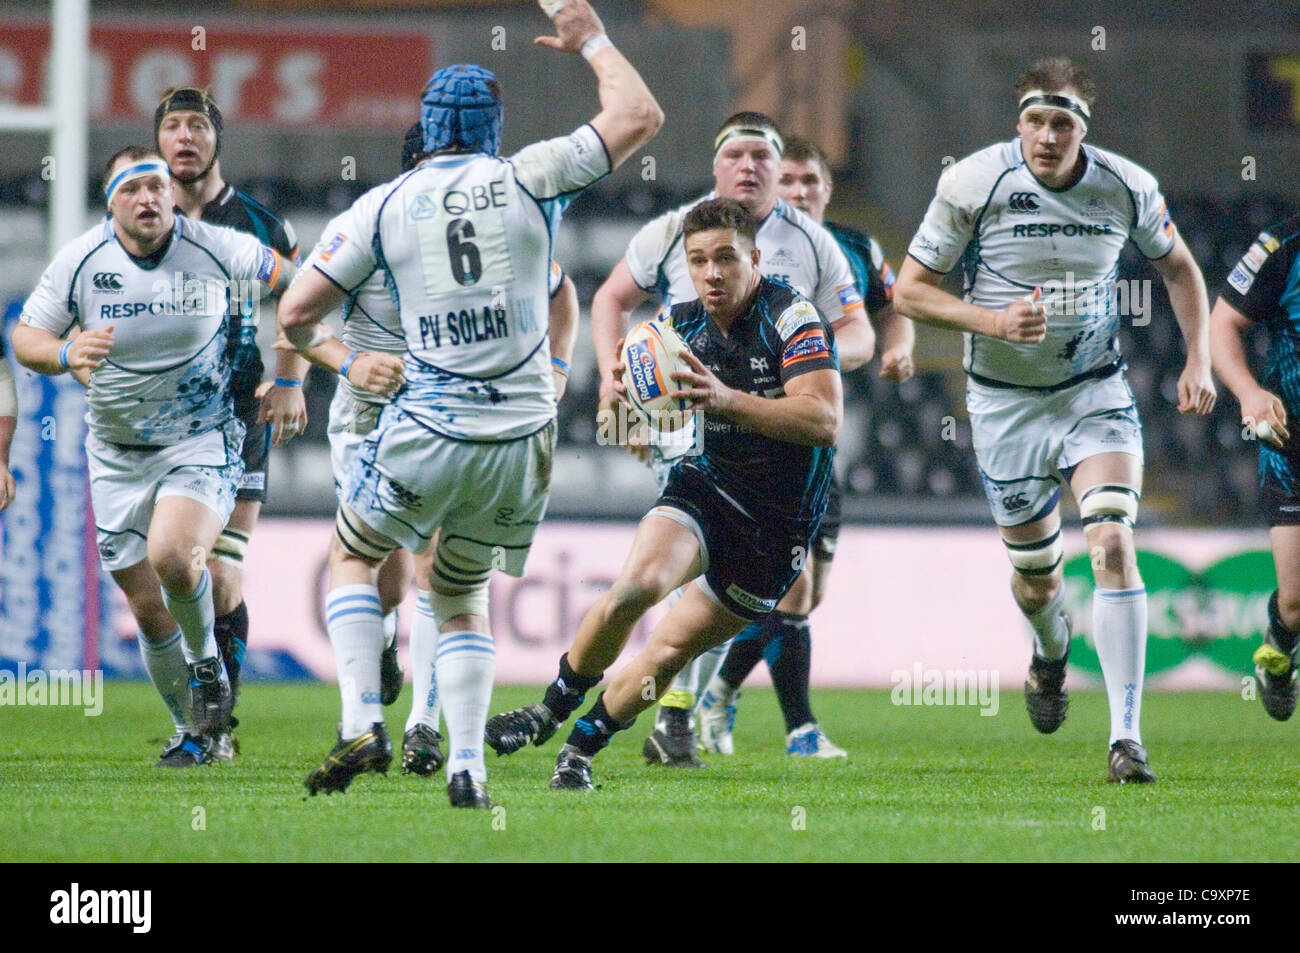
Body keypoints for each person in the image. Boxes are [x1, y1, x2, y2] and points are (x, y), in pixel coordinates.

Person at [277, 0, 663, 808]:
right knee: (459, 592)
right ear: (494, 129)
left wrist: (352, 361)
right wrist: (589, 38)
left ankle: (359, 720)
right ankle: (467, 768)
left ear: (424, 127)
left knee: (355, 555)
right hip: (524, 438)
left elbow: (294, 314)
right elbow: (640, 114)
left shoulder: (380, 206)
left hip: (430, 422)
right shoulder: (531, 174)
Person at [893, 57, 1216, 783]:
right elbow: (909, 290)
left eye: (1062, 121)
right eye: (1036, 120)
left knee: (1110, 543)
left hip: (1092, 391)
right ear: (1019, 123)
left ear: (1083, 128)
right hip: (1002, 403)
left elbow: (1181, 269)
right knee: (1037, 582)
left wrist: (1199, 360)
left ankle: (1126, 738)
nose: (1047, 135)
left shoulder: (1126, 186)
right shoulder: (974, 182)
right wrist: (991, 321)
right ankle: (1049, 653)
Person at [485, 198, 843, 791]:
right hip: (707, 484)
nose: (712, 274)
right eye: (698, 261)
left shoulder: (793, 317)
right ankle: (550, 708)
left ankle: (580, 749)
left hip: (778, 527)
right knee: (637, 587)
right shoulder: (677, 325)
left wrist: (724, 398)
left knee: (670, 650)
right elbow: (633, 394)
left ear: (753, 259)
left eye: (725, 259)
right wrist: (621, 402)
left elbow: (823, 419)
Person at [589, 111, 876, 765]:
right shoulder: (675, 228)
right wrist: (615, 380)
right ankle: (677, 710)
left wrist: (807, 356)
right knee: (697, 562)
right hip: (692, 417)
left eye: (763, 157)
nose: (749, 166)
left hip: (786, 434)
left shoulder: (813, 243)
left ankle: (691, 701)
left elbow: (860, 332)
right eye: (736, 155)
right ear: (717, 167)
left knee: (774, 588)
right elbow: (611, 299)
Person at [302, 123, 583, 778]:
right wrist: (335, 366)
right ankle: (383, 656)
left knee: (435, 565)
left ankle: (420, 726)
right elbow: (300, 313)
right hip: (368, 416)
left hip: (447, 417)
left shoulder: (493, 233)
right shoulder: (372, 225)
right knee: (387, 577)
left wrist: (559, 368)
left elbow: (560, 290)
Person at [11, 146, 304, 766]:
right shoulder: (83, 260)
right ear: (111, 202)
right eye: (130, 189)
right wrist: (66, 353)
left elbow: (302, 284)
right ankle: (199, 733)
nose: (146, 198)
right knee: (147, 608)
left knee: (174, 555)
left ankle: (208, 675)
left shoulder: (216, 246)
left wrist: (290, 375)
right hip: (117, 451)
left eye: (156, 186)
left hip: (201, 439)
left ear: (173, 194)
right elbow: (25, 337)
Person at [697, 134, 915, 757]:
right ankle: (800, 730)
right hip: (749, 436)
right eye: (786, 181)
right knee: (787, 591)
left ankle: (717, 694)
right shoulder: (742, 247)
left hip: (817, 436)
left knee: (806, 592)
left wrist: (893, 346)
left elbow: (890, 310)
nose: (797, 191)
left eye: (808, 182)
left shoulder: (849, 247)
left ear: (826, 189)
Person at [154, 87, 309, 739]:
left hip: (239, 419)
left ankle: (213, 722)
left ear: (217, 139)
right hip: (160, 422)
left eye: (197, 125)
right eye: (172, 126)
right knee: (169, 572)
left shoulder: (259, 224)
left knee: (220, 571)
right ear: (158, 141)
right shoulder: (138, 220)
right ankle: (198, 703)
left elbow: (304, 296)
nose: (185, 136)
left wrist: (289, 380)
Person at [1210, 217, 1300, 722]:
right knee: (1295, 603)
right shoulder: (1282, 247)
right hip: (1293, 442)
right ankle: (1278, 650)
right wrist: (1248, 393)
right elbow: (1223, 322)